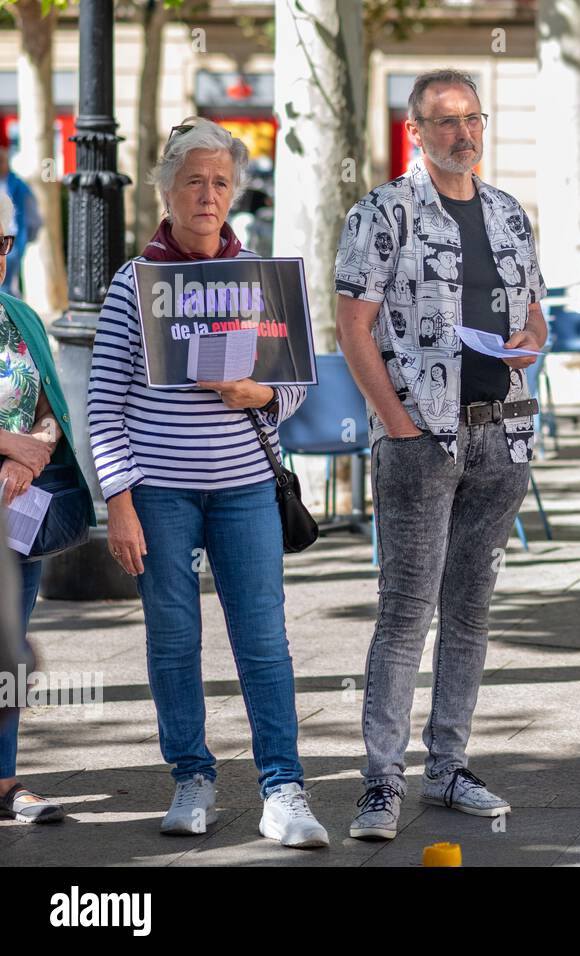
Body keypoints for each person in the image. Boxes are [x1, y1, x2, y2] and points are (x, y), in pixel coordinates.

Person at [86, 117, 328, 848]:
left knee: (264, 640)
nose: (209, 194)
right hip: (159, 496)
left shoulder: (259, 277)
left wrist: (261, 396)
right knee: (172, 637)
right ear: (166, 190)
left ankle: (283, 788)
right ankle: (191, 777)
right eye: (194, 181)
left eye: (221, 182)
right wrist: (120, 504)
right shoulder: (136, 284)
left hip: (246, 488)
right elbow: (103, 401)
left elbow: (296, 382)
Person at [336, 69, 545, 840]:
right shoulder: (382, 213)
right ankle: (379, 784)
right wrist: (394, 421)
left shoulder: (509, 215)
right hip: (423, 437)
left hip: (505, 430)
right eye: (445, 121)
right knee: (404, 613)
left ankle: (448, 767)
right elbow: (352, 326)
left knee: (471, 610)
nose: (463, 133)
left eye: (472, 119)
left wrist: (530, 342)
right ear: (416, 131)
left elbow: (534, 316)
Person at [0, 188, 91, 823]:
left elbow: (48, 405)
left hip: (16, 507)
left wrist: (33, 450)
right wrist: (13, 448)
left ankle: (4, 782)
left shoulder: (18, 316)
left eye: (2, 244)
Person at [0, 149, 42, 297]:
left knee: (5, 282)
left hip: (12, 239)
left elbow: (33, 215)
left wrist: (26, 238)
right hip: (11, 239)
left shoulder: (18, 185)